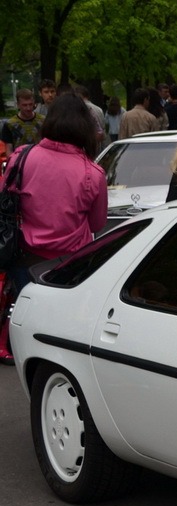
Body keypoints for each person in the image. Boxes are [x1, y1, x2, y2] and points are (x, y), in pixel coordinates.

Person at [0, 94, 107, 364]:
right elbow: (97, 224)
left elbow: (4, 199)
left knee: (28, 319)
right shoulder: (92, 173)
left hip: (24, 257)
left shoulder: (21, 157)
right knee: (62, 330)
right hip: (69, 264)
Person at [2, 89, 46, 155]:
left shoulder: (43, 120)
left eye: (30, 104)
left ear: (34, 103)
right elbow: (9, 150)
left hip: (39, 157)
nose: (28, 108)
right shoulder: (10, 124)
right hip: (19, 158)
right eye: (24, 105)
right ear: (18, 105)